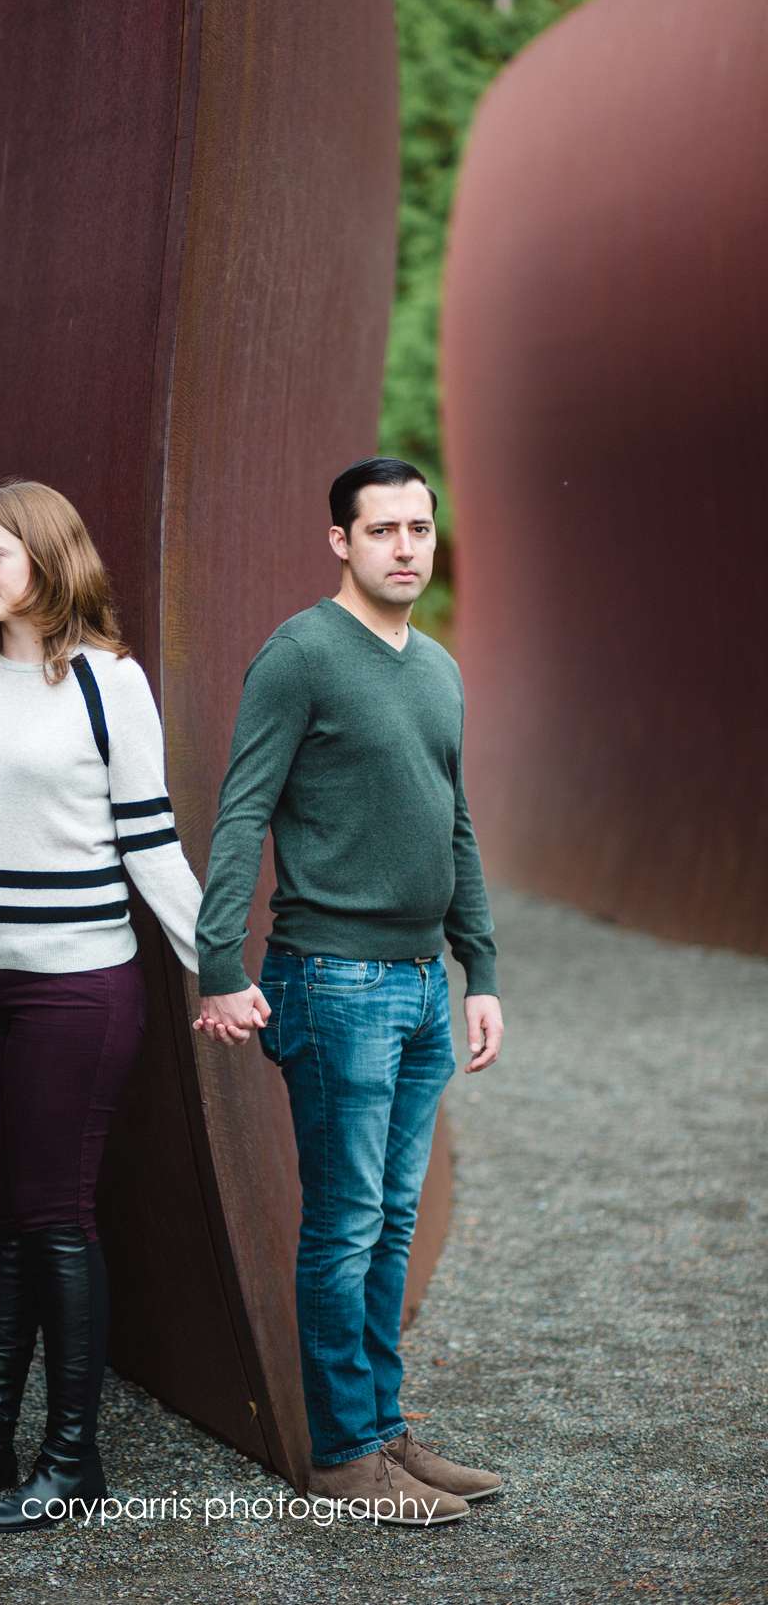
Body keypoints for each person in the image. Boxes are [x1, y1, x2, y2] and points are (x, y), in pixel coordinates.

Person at [0, 477, 203, 1533]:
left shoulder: (110, 682)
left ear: (49, 561)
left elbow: (151, 842)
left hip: (78, 988)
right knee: (4, 1224)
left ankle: (74, 1465)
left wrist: (225, 970)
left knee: (57, 1220)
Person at [193, 456, 505, 1527]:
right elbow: (241, 814)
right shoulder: (301, 656)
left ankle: (385, 1432)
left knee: (393, 1218)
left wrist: (481, 969)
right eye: (383, 530)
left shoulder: (439, 669)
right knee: (345, 1223)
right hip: (333, 983)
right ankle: (341, 1456)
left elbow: (454, 824)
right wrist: (218, 961)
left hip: (421, 987)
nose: (407, 547)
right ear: (342, 541)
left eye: (420, 527)